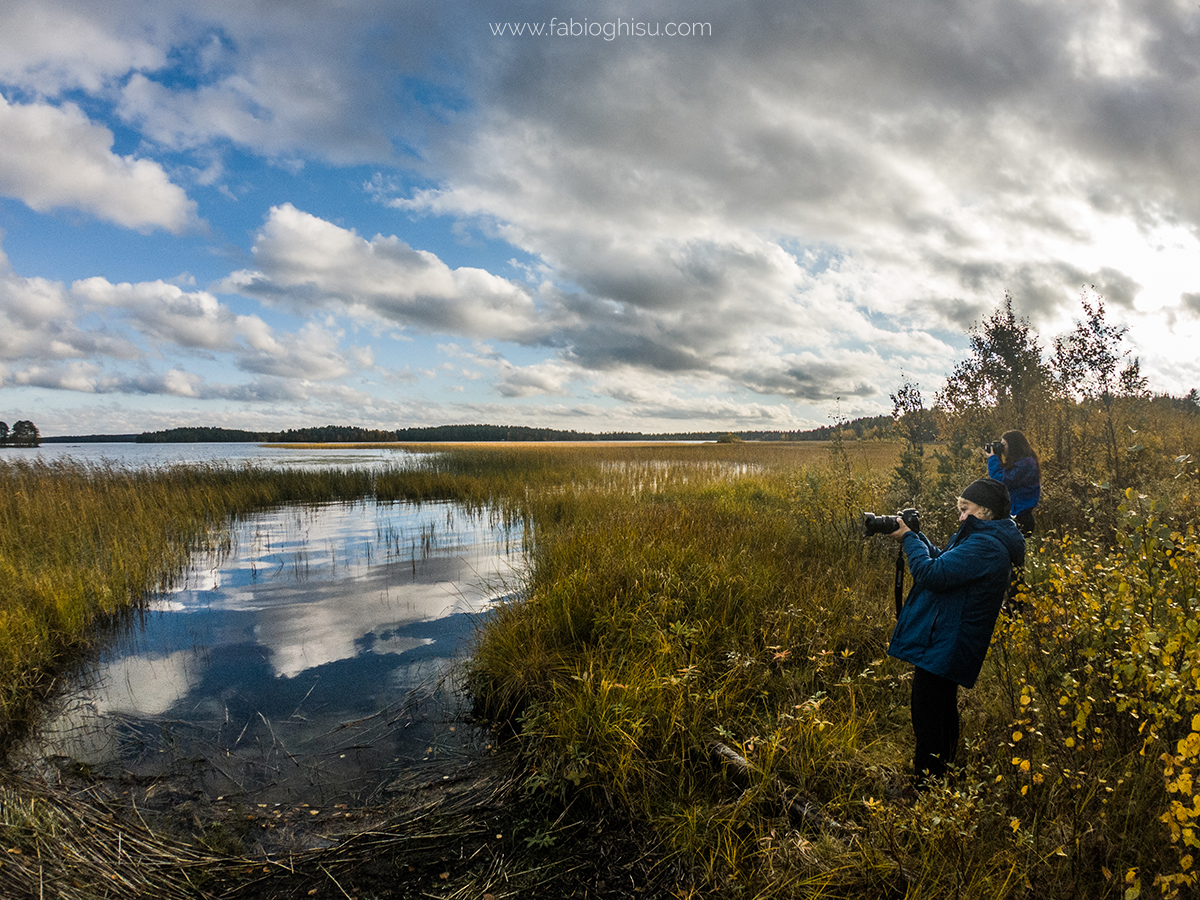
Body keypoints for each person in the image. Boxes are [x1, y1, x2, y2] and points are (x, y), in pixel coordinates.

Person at [885, 478, 1025, 790]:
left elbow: (931, 573)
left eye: (965, 509)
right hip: (950, 639)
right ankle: (940, 781)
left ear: (985, 512)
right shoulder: (981, 539)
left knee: (928, 715)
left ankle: (925, 788)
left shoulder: (986, 546)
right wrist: (916, 535)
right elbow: (943, 562)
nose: (960, 516)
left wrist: (909, 540)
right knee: (941, 710)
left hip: (948, 641)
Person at [987, 430, 1041, 534]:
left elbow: (1002, 481)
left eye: (1004, 445)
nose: (1002, 449)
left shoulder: (1027, 463)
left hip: (1021, 517)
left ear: (1013, 446)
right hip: (1014, 514)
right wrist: (997, 457)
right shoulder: (1020, 463)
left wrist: (993, 458)